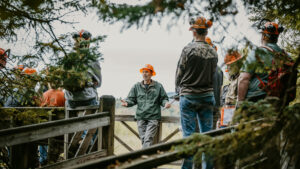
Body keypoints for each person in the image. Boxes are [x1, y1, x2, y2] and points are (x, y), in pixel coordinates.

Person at [175, 17, 218, 169]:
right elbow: (213, 74)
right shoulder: (213, 51)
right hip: (207, 96)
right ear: (206, 32)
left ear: (193, 31)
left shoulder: (188, 49)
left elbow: (179, 73)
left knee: (188, 137)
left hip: (189, 96)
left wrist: (177, 91)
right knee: (208, 137)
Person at [237, 21, 294, 104]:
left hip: (256, 104)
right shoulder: (287, 57)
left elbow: (244, 79)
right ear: (277, 37)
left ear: (263, 36)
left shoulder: (257, 53)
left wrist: (240, 103)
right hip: (280, 105)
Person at [121, 64, 171, 148]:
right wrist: (127, 103)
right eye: (143, 72)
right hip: (141, 117)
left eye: (147, 72)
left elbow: (163, 99)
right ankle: (147, 156)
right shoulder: (136, 86)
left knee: (148, 139)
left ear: (151, 74)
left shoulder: (158, 86)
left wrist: (165, 103)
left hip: (153, 117)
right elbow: (131, 99)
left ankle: (142, 158)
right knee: (144, 139)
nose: (144, 74)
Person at [64, 30, 102, 108]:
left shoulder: (67, 58)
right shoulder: (92, 60)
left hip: (70, 100)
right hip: (87, 98)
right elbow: (99, 83)